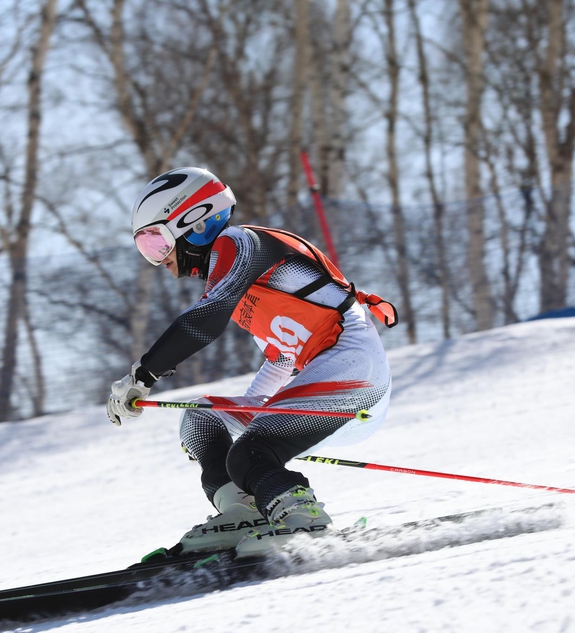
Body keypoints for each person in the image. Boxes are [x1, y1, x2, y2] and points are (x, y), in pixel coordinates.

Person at [107, 167, 397, 556]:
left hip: (355, 372)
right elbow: (281, 360)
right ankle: (245, 510)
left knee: (248, 453)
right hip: (329, 378)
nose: (159, 260)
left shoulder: (238, 244)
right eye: (147, 249)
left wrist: (144, 373)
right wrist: (249, 416)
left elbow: (205, 320)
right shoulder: (243, 280)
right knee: (202, 420)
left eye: (156, 242)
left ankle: (300, 515)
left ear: (192, 222)